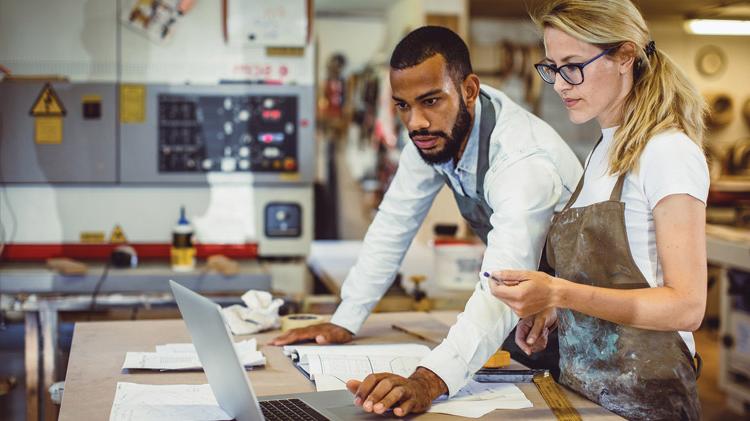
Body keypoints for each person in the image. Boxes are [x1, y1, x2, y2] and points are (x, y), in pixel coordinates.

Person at [272, 26, 582, 416]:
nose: (415, 122)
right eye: (403, 105)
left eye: (431, 101)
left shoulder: (520, 161)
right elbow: (392, 224)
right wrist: (345, 318)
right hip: (529, 316)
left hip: (588, 322)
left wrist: (428, 380)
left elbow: (504, 285)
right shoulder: (434, 136)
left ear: (469, 89)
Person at [486, 1, 709, 419]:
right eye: (552, 67)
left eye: (573, 65)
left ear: (625, 56)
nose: (560, 84)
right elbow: (614, 283)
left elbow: (687, 306)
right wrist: (555, 313)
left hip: (649, 400)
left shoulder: (668, 151)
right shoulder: (603, 149)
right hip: (588, 395)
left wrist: (559, 291)